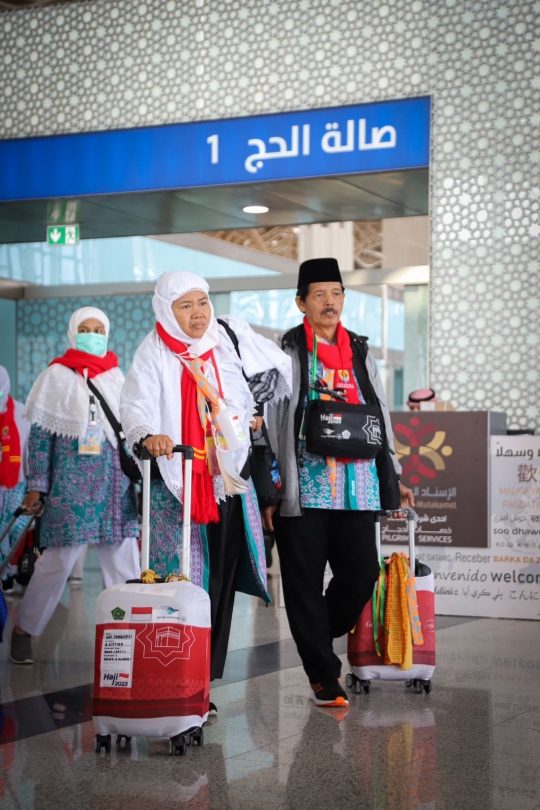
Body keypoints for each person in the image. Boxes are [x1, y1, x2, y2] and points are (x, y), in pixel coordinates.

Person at [120, 271, 291, 713]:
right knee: (180, 578)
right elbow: (135, 406)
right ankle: (171, 674)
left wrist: (248, 418)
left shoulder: (221, 342)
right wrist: (149, 435)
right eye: (185, 306)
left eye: (202, 303)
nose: (197, 314)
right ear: (166, 310)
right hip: (176, 482)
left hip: (225, 479)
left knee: (220, 582)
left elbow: (245, 392)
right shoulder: (154, 350)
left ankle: (201, 684)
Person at [265, 258, 415, 708]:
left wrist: (395, 475)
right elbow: (270, 421)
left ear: (344, 299)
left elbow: (381, 416)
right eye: (319, 295)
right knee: (303, 580)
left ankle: (315, 630)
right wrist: (271, 488)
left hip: (357, 485)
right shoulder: (285, 350)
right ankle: (322, 675)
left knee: (361, 573)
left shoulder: (361, 351)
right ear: (301, 303)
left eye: (336, 293)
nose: (329, 302)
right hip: (304, 486)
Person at [10, 307, 140, 665]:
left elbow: (131, 428)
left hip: (115, 489)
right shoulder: (55, 375)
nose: (93, 334)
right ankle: (24, 629)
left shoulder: (116, 375)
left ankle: (128, 641)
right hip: (70, 489)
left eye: (99, 329)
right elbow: (39, 437)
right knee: (56, 563)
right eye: (85, 328)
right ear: (73, 332)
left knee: (124, 565)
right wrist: (36, 485)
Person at [0, 366, 31, 592]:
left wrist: (34, 485)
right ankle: (4, 575)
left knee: (13, 527)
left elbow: (29, 449)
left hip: (15, 483)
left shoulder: (21, 412)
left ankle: (8, 570)